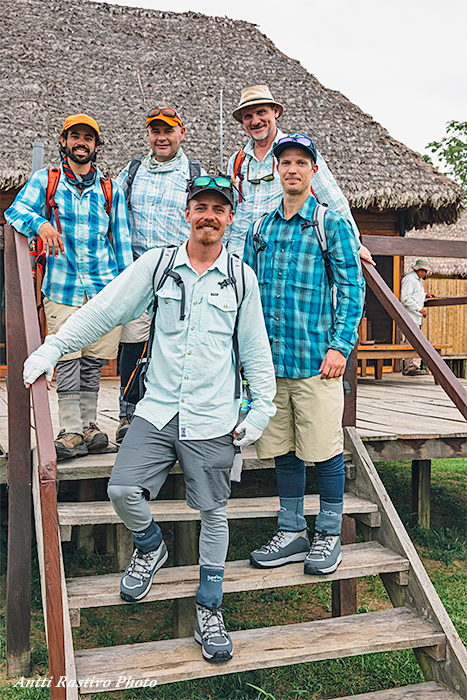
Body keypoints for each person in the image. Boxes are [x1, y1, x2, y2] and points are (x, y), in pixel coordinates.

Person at [23, 176, 277, 663]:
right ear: (187, 213)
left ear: (229, 219)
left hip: (212, 417)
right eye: (200, 206)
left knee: (214, 513)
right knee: (120, 490)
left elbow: (255, 350)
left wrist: (260, 408)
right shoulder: (159, 266)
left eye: (218, 209)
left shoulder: (242, 278)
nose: (208, 215)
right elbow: (104, 310)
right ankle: (150, 545)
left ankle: (210, 608)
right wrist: (53, 347)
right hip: (157, 409)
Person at [243, 133, 365, 575]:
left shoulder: (330, 223)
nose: (292, 169)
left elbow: (353, 288)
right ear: (276, 170)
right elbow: (247, 294)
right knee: (283, 450)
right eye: (285, 162)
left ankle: (328, 534)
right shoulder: (260, 228)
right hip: (271, 363)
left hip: (318, 361)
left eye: (301, 162)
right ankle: (292, 531)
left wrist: (340, 346)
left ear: (314, 170)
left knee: (325, 448)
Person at [6, 114, 132, 460]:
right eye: (74, 136)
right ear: (63, 142)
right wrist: (41, 222)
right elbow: (14, 212)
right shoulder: (45, 181)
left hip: (103, 288)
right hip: (62, 286)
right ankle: (70, 429)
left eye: (88, 138)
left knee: (93, 360)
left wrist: (127, 291)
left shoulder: (110, 188)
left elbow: (120, 242)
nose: (81, 143)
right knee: (69, 359)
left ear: (96, 145)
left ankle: (90, 426)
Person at [114, 107, 206, 443]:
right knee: (133, 343)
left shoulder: (195, 173)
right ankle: (128, 414)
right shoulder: (132, 170)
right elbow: (107, 206)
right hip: (139, 270)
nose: (162, 138)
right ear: (148, 135)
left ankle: (175, 414)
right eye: (155, 131)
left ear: (182, 132)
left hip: (178, 272)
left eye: (168, 131)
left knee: (176, 344)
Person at [227, 84, 374, 265]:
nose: (255, 121)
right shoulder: (237, 161)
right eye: (248, 116)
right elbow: (229, 210)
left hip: (280, 258)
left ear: (275, 112)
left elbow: (332, 198)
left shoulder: (299, 151)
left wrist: (355, 244)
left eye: (261, 112)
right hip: (239, 258)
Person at [400, 259, 436, 376]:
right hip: (410, 315)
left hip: (415, 316)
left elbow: (416, 296)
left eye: (425, 271)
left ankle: (412, 367)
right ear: (417, 269)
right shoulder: (410, 280)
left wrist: (426, 296)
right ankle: (411, 367)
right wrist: (419, 309)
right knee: (412, 341)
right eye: (423, 270)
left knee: (413, 341)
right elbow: (406, 298)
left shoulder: (418, 281)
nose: (424, 273)